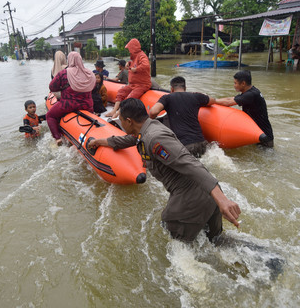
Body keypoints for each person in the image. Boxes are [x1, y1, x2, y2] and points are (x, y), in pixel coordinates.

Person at [87, 98, 241, 243]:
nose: (120, 124)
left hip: (194, 194)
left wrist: (222, 199)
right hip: (207, 193)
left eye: (120, 120)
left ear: (129, 121)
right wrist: (101, 141)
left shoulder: (155, 139)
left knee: (172, 230)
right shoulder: (149, 128)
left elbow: (190, 163)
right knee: (216, 242)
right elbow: (130, 140)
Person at [149, 76, 215, 158]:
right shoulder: (196, 96)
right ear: (185, 88)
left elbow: (153, 112)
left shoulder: (167, 98)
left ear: (172, 89)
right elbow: (212, 101)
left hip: (185, 146)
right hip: (201, 143)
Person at [215, 70, 274, 147]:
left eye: (235, 83)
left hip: (264, 138)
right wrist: (213, 100)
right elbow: (230, 99)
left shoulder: (250, 95)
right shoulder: (250, 91)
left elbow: (229, 103)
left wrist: (210, 101)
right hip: (257, 134)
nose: (234, 85)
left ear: (243, 83)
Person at [48, 51, 96, 145]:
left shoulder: (64, 73)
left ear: (69, 60)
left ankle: (58, 138)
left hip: (68, 105)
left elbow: (52, 87)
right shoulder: (90, 73)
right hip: (87, 105)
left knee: (50, 115)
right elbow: (93, 87)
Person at [106, 39, 151, 119]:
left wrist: (136, 69)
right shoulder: (134, 58)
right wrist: (129, 63)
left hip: (141, 85)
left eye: (129, 49)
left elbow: (146, 65)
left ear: (133, 48)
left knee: (129, 98)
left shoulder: (141, 55)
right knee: (121, 92)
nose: (128, 51)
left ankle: (118, 114)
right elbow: (134, 63)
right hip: (132, 84)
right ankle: (114, 110)